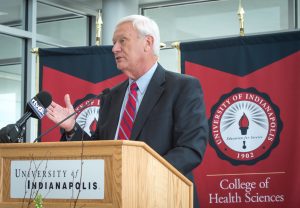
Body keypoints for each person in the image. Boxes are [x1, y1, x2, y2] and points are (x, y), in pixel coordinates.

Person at [46, 14, 208, 208]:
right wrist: (72, 128)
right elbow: (100, 152)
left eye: (122, 41)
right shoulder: (110, 96)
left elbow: (191, 149)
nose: (114, 49)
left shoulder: (182, 87)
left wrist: (138, 176)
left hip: (164, 197)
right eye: (114, 43)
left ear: (148, 43)